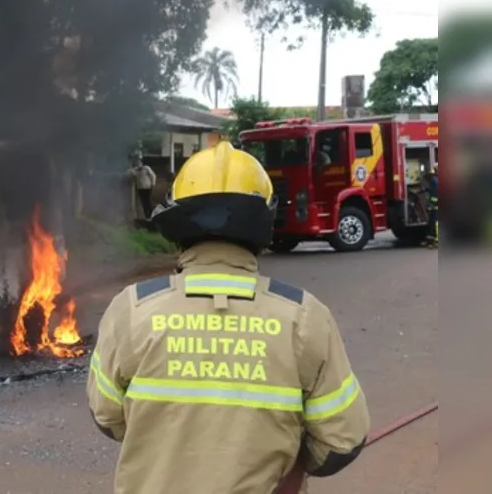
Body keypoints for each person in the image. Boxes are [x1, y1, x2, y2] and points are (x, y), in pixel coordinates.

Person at [86, 142, 370, 494]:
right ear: (264, 221)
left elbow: (108, 417)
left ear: (178, 222)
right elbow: (342, 442)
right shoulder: (304, 317)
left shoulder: (131, 309)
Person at [126, 151, 157, 217]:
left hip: (148, 188)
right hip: (140, 189)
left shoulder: (146, 168)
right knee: (144, 204)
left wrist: (153, 184)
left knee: (148, 203)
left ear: (141, 162)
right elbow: (128, 173)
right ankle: (148, 217)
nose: (137, 163)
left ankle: (153, 215)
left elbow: (153, 176)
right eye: (136, 162)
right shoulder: (134, 170)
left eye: (139, 162)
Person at [422, 170, 438, 248]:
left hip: (435, 207)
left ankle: (435, 241)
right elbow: (429, 189)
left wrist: (430, 205)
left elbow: (434, 195)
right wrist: (421, 190)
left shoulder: (433, 181)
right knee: (431, 223)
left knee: (434, 223)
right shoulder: (434, 180)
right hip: (434, 206)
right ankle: (430, 240)